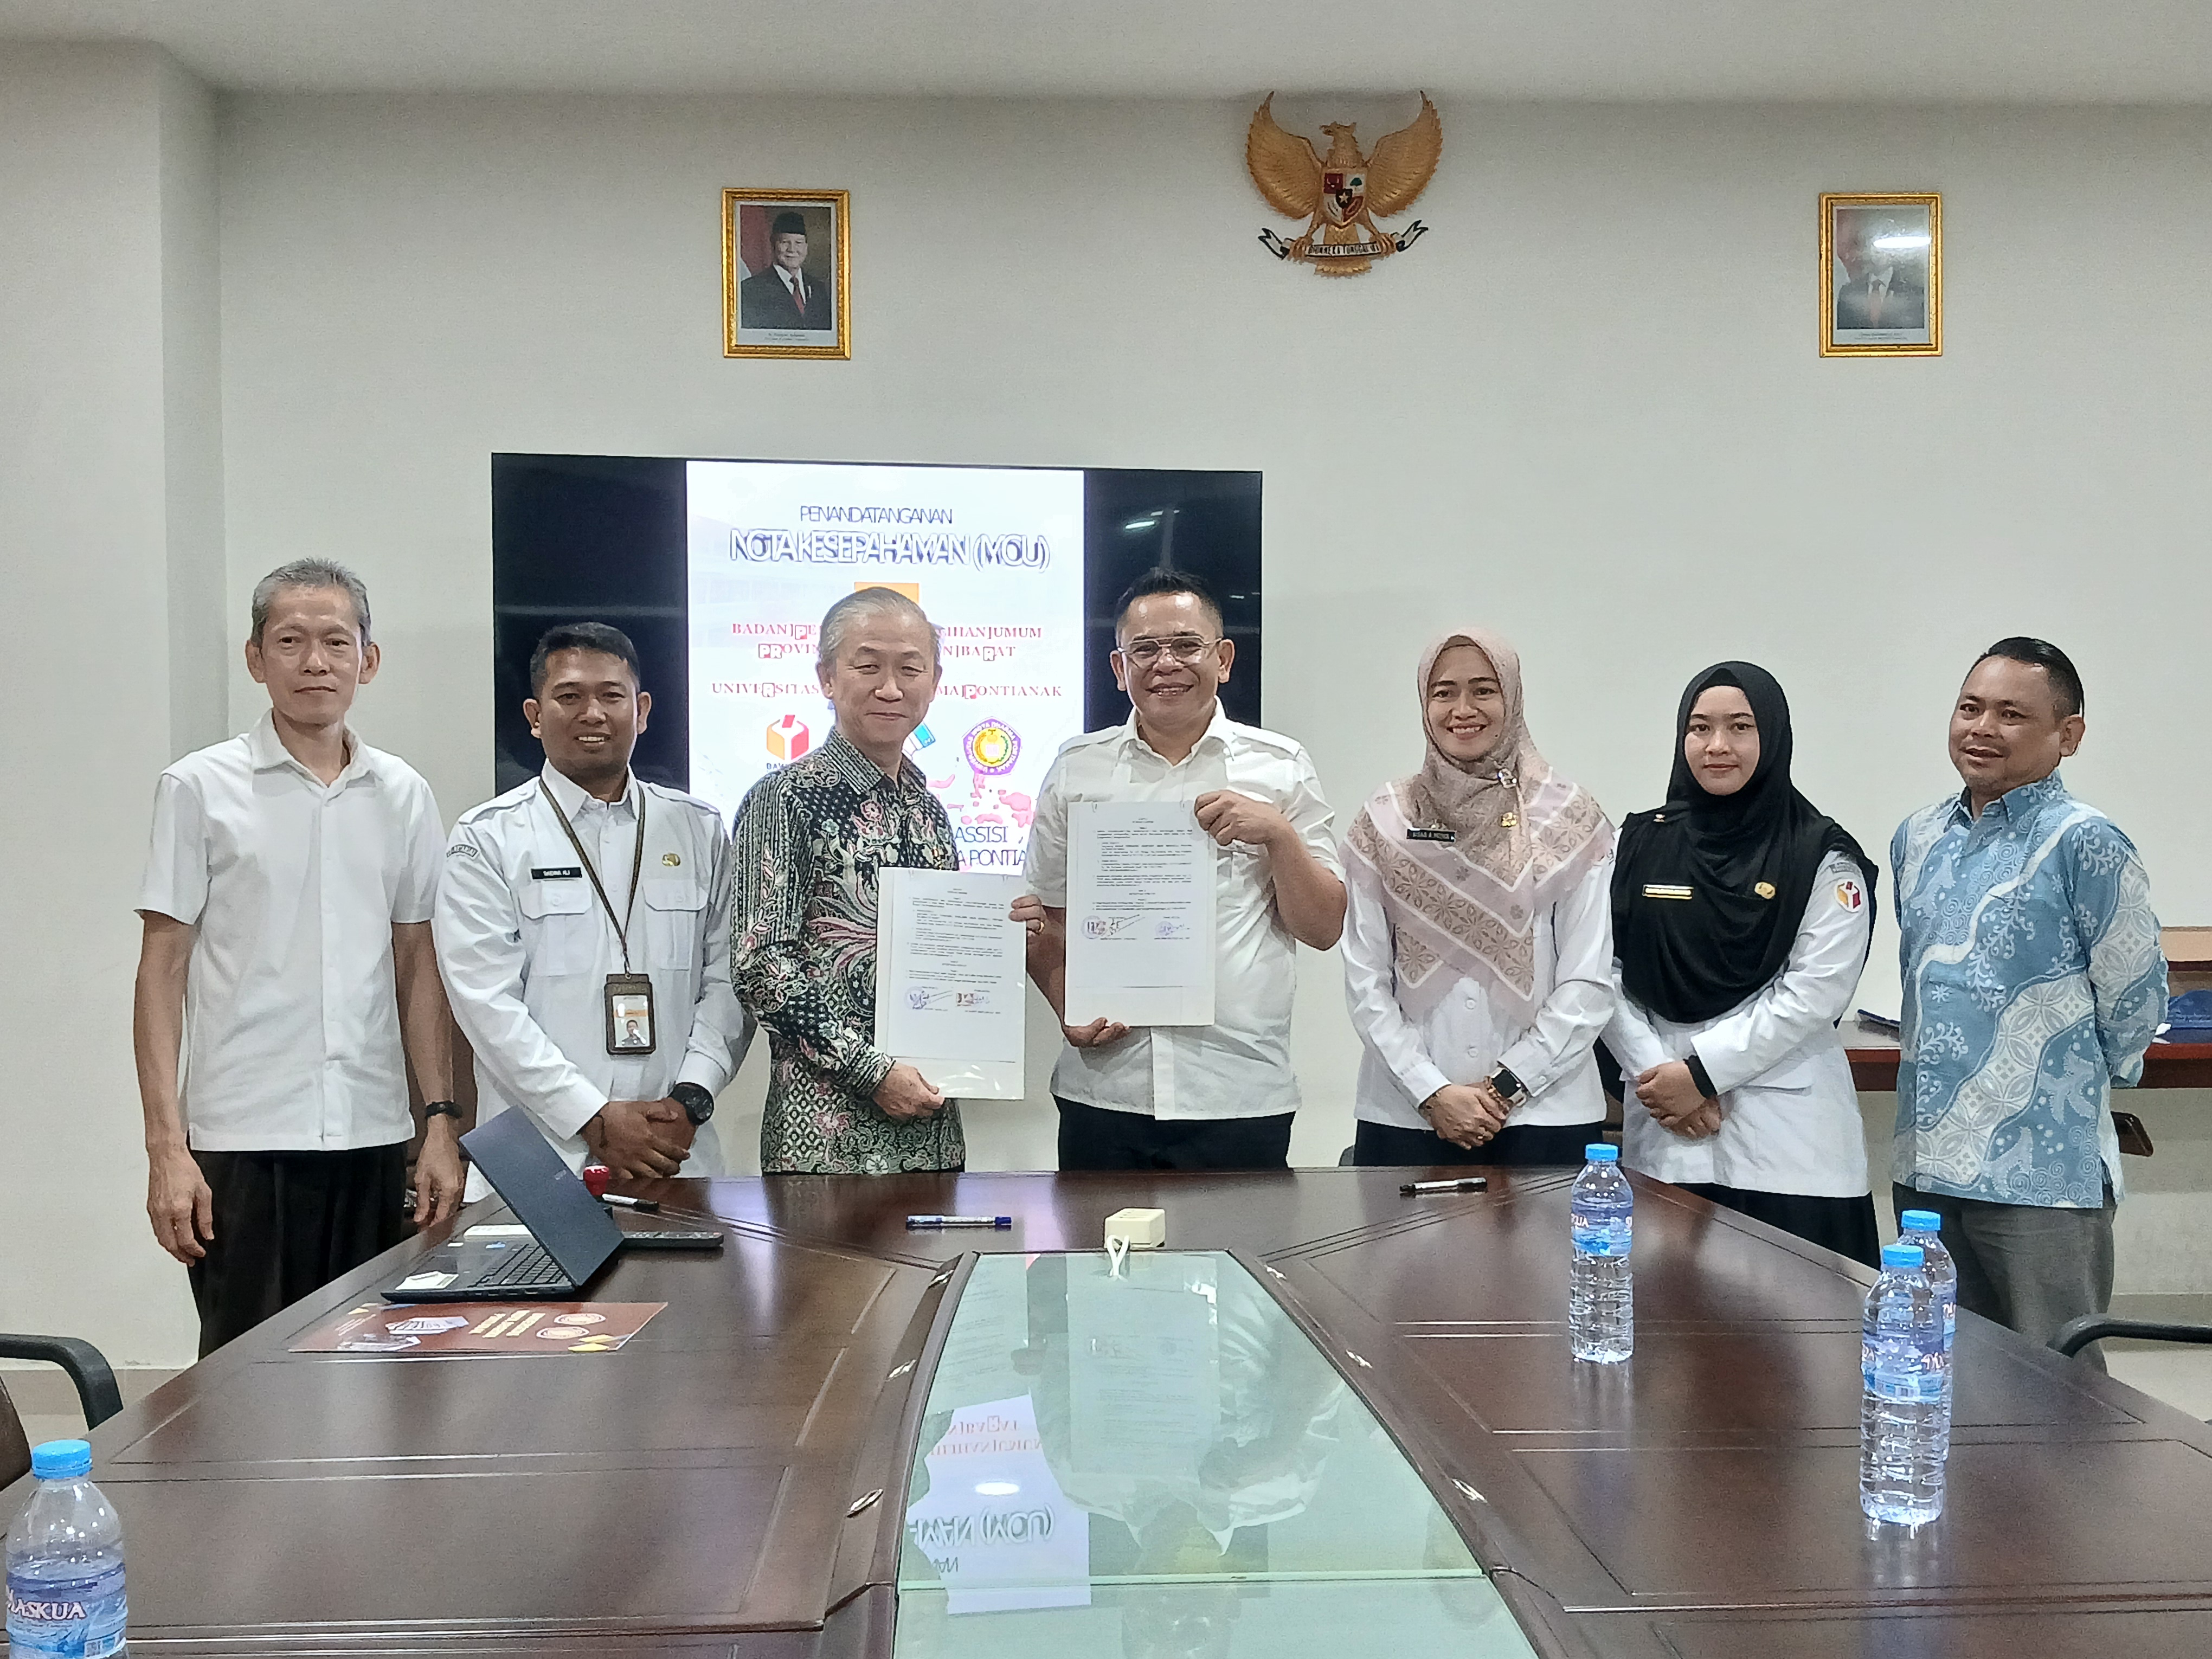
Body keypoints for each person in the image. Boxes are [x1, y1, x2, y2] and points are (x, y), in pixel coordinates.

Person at [134, 560, 461, 1356]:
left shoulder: (404, 793)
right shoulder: (199, 788)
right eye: (291, 641)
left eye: (335, 642)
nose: (315, 662)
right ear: (256, 658)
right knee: (244, 1376)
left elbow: (417, 962)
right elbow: (161, 971)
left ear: (367, 660)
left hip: (373, 1133)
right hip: (243, 1140)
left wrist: (440, 1124)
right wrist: (167, 1151)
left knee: (380, 1371)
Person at [1015, 569, 1345, 1171]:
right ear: (1119, 669)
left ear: (1223, 658)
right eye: (1144, 649)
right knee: (1097, 1267)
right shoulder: (1076, 771)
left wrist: (1278, 835)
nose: (1165, 663)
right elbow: (1045, 921)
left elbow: (1323, 928)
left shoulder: (1281, 766)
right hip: (1105, 1090)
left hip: (1238, 1091)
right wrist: (1067, 1008)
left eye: (1186, 646)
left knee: (1243, 1265)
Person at [1892, 638, 2164, 1362]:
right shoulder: (1918, 838)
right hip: (1925, 1164)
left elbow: (2134, 993)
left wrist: (2078, 1088)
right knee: (1940, 1369)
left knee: (2058, 1384)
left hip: (2039, 1172)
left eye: (2011, 714)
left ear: (2067, 735)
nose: (1981, 728)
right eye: (1969, 708)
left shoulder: (2087, 843)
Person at [436, 623, 753, 1193]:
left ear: (643, 709)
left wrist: (690, 1099)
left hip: (676, 1151)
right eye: (569, 697)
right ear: (535, 716)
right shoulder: (488, 838)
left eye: (612, 696)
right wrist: (594, 1116)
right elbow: (487, 1006)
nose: (593, 713)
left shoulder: (699, 830)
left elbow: (730, 978)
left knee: (693, 1286)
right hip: (538, 1161)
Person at [1604, 662, 1884, 1266]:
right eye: (1700, 728)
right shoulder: (1637, 843)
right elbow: (1601, 971)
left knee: (1798, 1347)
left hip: (1788, 1148)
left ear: (1775, 737)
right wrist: (1659, 1073)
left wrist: (1702, 1074)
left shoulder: (1821, 856)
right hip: (1667, 1132)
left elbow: (1815, 994)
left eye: (1740, 727)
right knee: (1671, 1343)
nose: (1718, 746)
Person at [1340, 628, 1616, 1166]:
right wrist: (1429, 1089)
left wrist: (1504, 1088)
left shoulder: (1571, 818)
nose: (1462, 708)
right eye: (1444, 692)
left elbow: (1588, 980)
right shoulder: (1385, 818)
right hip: (1406, 1112)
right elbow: (1365, 980)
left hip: (1544, 1111)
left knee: (1546, 1256)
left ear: (1511, 698)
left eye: (1484, 690)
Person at [730, 587, 963, 1174]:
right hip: (825, 1142)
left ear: (934, 682)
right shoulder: (784, 798)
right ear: (827, 678)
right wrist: (872, 1071)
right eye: (868, 666)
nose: (891, 688)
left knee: (942, 1269)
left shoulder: (929, 811)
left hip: (933, 1131)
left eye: (911, 669)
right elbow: (761, 966)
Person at [738, 210, 833, 331]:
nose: (792, 249)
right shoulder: (750, 289)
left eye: (799, 243)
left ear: (806, 247)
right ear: (773, 244)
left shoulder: (819, 289)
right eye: (785, 242)